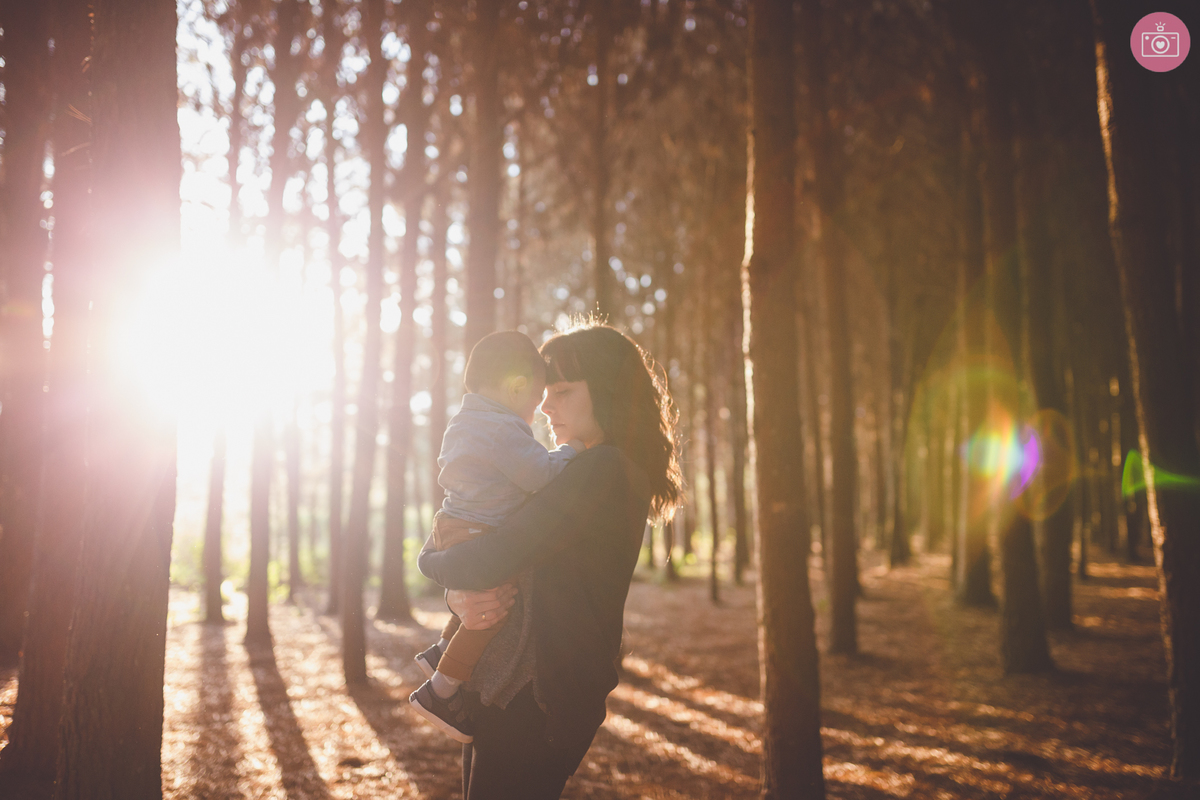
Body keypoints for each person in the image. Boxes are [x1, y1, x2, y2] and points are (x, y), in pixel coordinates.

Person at [418, 322, 682, 799]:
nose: (544, 405)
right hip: (509, 688)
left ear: (605, 389)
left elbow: (493, 556)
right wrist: (457, 587)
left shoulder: (601, 472)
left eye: (561, 390)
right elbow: (496, 546)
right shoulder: (585, 468)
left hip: (536, 698)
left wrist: (436, 568)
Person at [409, 331, 583, 743]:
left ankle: (440, 654)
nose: (540, 408)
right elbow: (540, 474)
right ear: (517, 386)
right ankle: (441, 690)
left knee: (477, 605)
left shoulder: (465, 421)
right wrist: (572, 451)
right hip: (477, 531)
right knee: (490, 613)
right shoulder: (500, 428)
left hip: (452, 525)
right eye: (538, 396)